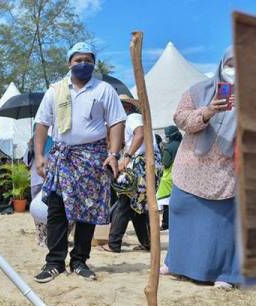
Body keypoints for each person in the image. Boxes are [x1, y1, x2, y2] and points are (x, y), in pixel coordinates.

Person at [33, 42, 126, 283]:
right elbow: (42, 124)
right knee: (57, 209)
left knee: (87, 210)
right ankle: (54, 262)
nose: (83, 64)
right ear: (69, 63)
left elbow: (116, 122)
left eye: (88, 60)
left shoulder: (104, 90)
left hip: (93, 157)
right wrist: (40, 156)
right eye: (78, 60)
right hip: (61, 156)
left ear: (93, 63)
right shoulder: (55, 90)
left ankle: (79, 261)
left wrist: (113, 154)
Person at [162, 46, 240, 289]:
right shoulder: (198, 91)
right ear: (221, 64)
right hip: (191, 168)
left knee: (223, 225)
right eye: (230, 63)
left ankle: (226, 273)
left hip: (227, 174)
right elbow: (181, 119)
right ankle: (177, 263)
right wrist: (208, 110)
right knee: (182, 212)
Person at [100, 95, 162, 253]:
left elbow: (140, 135)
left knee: (125, 201)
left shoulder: (133, 117)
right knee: (137, 204)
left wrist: (127, 156)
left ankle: (114, 244)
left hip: (141, 163)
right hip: (146, 163)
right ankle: (147, 242)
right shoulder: (130, 120)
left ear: (125, 107)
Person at [156, 125, 182, 230]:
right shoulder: (182, 145)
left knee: (166, 203)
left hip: (169, 178)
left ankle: (166, 224)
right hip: (182, 177)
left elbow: (166, 163)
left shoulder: (169, 147)